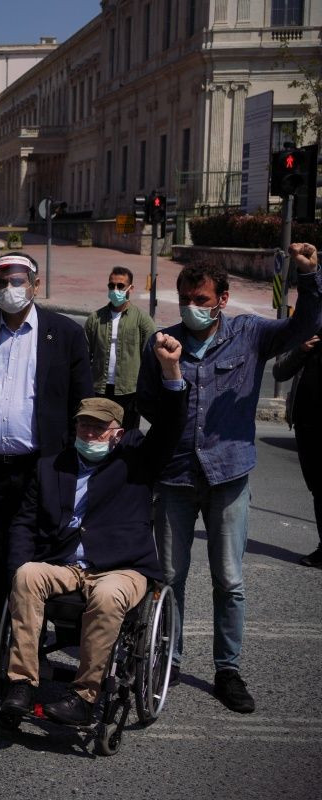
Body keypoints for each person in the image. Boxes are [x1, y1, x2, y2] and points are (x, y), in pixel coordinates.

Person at [137, 244, 322, 714]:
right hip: (176, 477)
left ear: (222, 298)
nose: (191, 307)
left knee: (230, 579)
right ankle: (168, 658)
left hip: (228, 474)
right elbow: (150, 410)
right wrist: (171, 372)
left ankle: (228, 670)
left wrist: (310, 276)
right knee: (171, 576)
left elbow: (302, 327)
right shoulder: (160, 342)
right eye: (185, 299)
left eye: (201, 299)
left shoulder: (250, 334)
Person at [0, 334, 186, 726]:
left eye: (98, 429)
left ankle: (85, 695)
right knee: (28, 575)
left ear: (117, 433)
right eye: (83, 427)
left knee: (106, 595)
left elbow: (170, 428)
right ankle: (21, 683)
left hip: (122, 567)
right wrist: (18, 568)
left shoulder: (136, 458)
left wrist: (171, 373)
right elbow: (23, 523)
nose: (89, 435)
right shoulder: (51, 466)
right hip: (65, 563)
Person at [0, 252, 92, 671]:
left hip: (40, 471)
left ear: (36, 284)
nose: (10, 287)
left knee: (31, 565)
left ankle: (29, 649)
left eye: (18, 279)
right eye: (2, 279)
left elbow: (85, 405)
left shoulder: (64, 334)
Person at [272, 331, 322, 568]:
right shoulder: (308, 333)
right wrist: (301, 349)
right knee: (318, 490)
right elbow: (279, 371)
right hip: (307, 425)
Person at [84, 266, 156, 429]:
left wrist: (145, 392)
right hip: (100, 389)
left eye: (120, 286)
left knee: (127, 436)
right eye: (112, 286)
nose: (115, 289)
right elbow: (84, 356)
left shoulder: (142, 320)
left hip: (129, 391)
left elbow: (150, 360)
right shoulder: (95, 318)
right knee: (99, 433)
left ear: (131, 288)